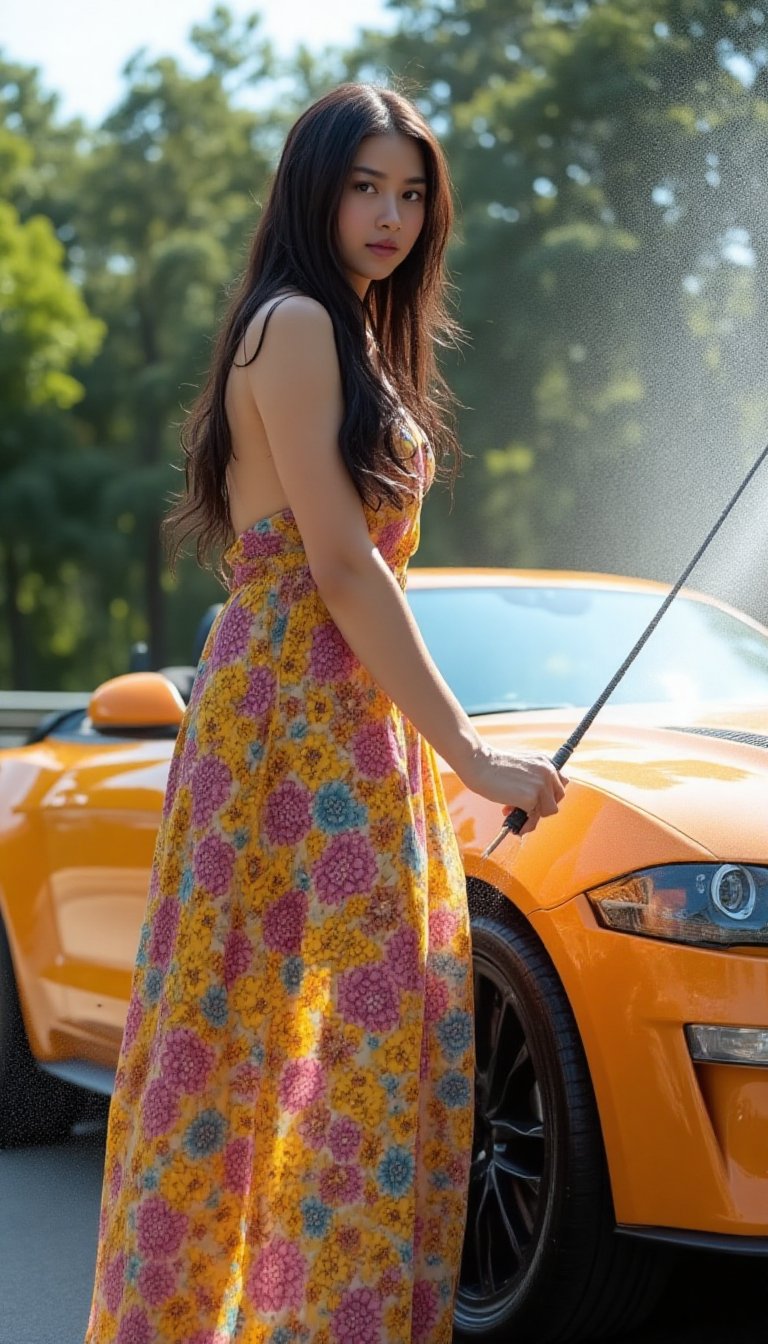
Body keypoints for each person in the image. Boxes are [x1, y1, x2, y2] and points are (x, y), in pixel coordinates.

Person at [84, 82, 567, 1344]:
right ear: (313, 187)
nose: (392, 214)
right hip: (292, 729)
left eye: (412, 193)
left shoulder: (351, 336)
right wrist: (471, 751)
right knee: (284, 1051)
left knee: (365, 1049)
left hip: (350, 731)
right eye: (366, 185)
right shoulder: (295, 322)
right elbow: (344, 568)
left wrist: (427, 747)